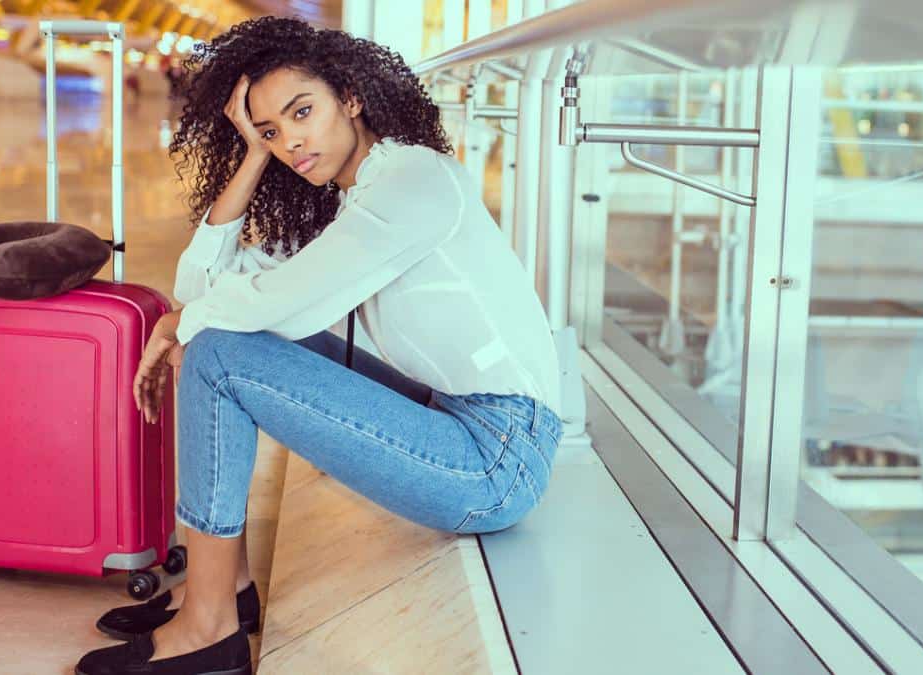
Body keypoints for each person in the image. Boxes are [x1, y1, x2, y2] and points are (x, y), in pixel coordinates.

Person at [74, 16, 562, 675]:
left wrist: (180, 323)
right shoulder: (347, 196)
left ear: (351, 98)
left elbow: (275, 301)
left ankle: (209, 628)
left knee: (218, 351)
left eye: (302, 112)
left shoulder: (413, 183)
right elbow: (203, 284)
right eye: (271, 130)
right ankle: (224, 590)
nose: (290, 142)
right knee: (219, 333)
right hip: (454, 417)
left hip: (496, 458)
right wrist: (248, 158)